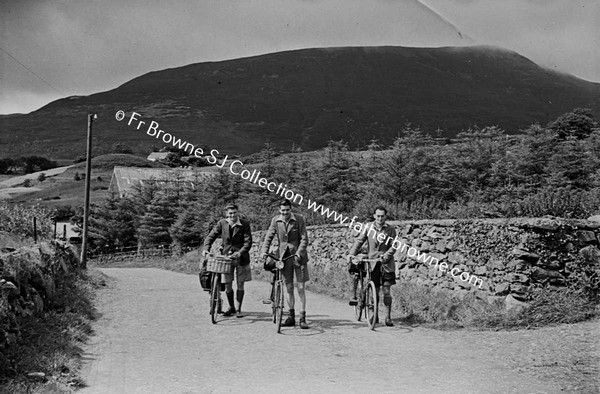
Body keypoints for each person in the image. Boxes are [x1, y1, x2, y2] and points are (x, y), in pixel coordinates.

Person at [261, 199, 310, 329]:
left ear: (290, 209)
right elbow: (269, 237)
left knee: (300, 288)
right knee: (288, 288)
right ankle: (291, 317)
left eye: (287, 210)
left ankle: (303, 318)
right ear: (279, 210)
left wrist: (300, 252)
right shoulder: (275, 220)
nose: (285, 212)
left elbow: (304, 239)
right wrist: (264, 252)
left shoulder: (299, 219)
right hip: (284, 257)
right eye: (282, 210)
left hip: (298, 257)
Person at [347, 206, 397, 327]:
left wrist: (386, 255)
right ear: (374, 216)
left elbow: (394, 245)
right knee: (376, 290)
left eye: (382, 216)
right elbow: (359, 241)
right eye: (378, 216)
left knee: (386, 291)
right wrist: (351, 254)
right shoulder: (368, 227)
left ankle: (388, 317)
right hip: (373, 262)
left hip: (386, 263)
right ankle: (375, 315)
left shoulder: (390, 229)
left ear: (386, 216)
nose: (380, 218)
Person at [203, 203, 252, 317]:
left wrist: (240, 253)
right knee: (228, 284)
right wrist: (206, 248)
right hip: (226, 258)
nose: (232, 215)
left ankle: (239, 309)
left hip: (241, 258)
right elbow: (211, 236)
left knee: (240, 284)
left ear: (237, 212)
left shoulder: (244, 224)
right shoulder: (222, 223)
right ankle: (231, 307)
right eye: (230, 213)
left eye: (234, 213)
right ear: (226, 214)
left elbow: (248, 242)